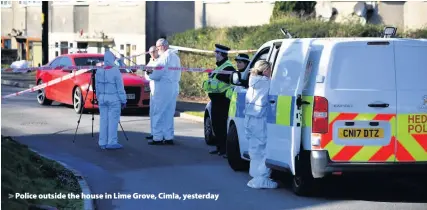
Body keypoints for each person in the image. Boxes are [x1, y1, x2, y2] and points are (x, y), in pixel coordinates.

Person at [244, 60, 278, 189]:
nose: (271, 73)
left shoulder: (252, 80)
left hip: (249, 119)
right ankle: (262, 178)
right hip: (259, 119)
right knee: (264, 149)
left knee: (254, 150)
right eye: (270, 71)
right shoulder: (266, 83)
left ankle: (255, 176)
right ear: (265, 71)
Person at [202, 44, 237, 157]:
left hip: (223, 101)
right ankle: (219, 147)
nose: (214, 54)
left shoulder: (228, 68)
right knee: (216, 125)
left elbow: (220, 84)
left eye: (216, 53)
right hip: (216, 101)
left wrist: (211, 79)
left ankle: (225, 149)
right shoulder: (220, 67)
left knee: (221, 126)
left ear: (221, 54)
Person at [147, 38, 181, 145]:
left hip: (163, 87)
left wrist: (149, 74)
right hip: (174, 86)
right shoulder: (176, 57)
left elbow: (157, 74)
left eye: (157, 47)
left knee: (158, 112)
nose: (157, 49)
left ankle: (157, 137)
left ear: (162, 46)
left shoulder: (164, 57)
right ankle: (168, 136)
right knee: (169, 113)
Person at [95, 50, 127, 149]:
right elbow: (120, 87)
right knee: (113, 120)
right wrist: (123, 100)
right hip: (113, 98)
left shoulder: (99, 70)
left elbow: (97, 86)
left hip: (102, 98)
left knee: (103, 120)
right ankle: (112, 142)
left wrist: (98, 97)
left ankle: (102, 142)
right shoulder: (115, 70)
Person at [145, 46, 159, 140]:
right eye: (150, 52)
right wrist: (149, 74)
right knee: (152, 112)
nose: (152, 53)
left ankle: (157, 133)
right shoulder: (150, 62)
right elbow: (146, 76)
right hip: (152, 89)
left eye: (153, 51)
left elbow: (157, 75)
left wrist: (151, 74)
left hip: (159, 90)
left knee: (157, 112)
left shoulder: (160, 61)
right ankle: (153, 132)